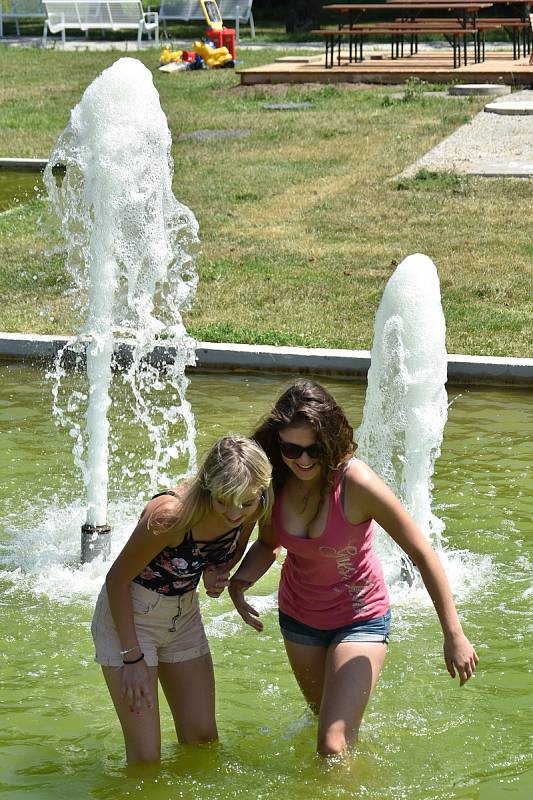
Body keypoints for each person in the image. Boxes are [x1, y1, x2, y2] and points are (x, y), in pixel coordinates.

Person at [228, 380, 479, 758]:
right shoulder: (275, 481)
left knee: (332, 743)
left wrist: (454, 633)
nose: (304, 460)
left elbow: (422, 553)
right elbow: (267, 543)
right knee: (323, 724)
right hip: (299, 619)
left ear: (330, 440)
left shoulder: (354, 482)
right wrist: (240, 581)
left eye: (314, 449)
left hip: (360, 618)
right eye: (292, 449)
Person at [91, 435, 273, 764]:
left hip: (184, 616)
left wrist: (218, 572)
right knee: (146, 758)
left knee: (203, 742)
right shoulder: (170, 516)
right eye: (224, 501)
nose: (235, 513)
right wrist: (132, 660)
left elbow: (230, 551)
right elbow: (116, 580)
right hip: (131, 617)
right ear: (207, 486)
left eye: (245, 502)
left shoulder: (254, 505)